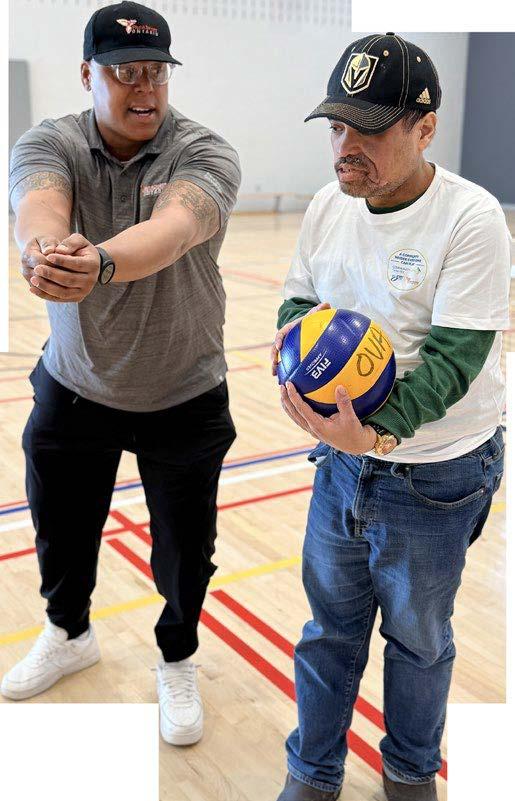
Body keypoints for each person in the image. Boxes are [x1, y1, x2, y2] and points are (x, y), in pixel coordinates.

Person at [271, 33, 510, 801]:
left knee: (417, 639)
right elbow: (297, 301)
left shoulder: (470, 218)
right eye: (337, 125)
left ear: (424, 127)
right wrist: (294, 355)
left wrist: (374, 430)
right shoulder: (326, 206)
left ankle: (409, 771)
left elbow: (452, 359)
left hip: (437, 472)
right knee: (327, 630)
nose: (346, 146)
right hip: (340, 461)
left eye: (369, 129)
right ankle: (313, 772)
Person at [2, 1, 241, 749]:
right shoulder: (50, 141)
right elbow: (38, 203)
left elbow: (173, 229)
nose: (145, 89)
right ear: (87, 74)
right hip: (76, 385)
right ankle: (69, 632)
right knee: (61, 529)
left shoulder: (204, 152)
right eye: (125, 72)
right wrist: (43, 253)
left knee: (185, 551)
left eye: (156, 73)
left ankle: (177, 656)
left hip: (184, 390)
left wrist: (98, 262)